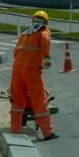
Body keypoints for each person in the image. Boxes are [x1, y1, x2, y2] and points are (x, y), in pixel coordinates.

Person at [10, 10, 58, 141]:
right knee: (39, 99)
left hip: (17, 68)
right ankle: (48, 132)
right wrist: (47, 58)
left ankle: (15, 129)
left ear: (33, 20)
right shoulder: (43, 31)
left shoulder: (25, 33)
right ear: (46, 22)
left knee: (17, 100)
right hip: (31, 69)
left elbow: (16, 52)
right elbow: (45, 40)